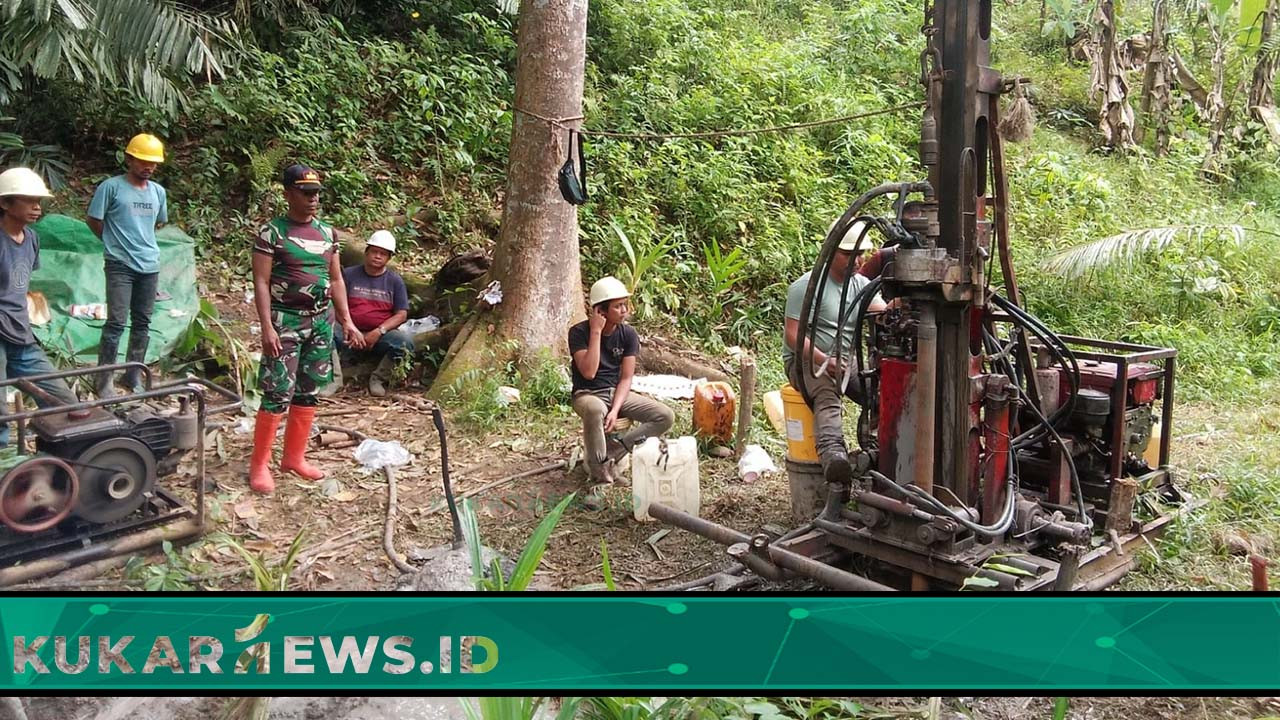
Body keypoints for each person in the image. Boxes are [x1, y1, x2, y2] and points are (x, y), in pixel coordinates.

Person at [248, 164, 363, 494]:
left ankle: (294, 458)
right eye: (305, 193)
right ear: (288, 194)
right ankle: (260, 464)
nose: (313, 199)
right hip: (285, 320)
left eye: (316, 193)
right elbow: (261, 281)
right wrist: (267, 327)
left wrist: (346, 320)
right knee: (276, 391)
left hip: (320, 321)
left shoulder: (327, 234)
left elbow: (336, 279)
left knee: (309, 389)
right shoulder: (273, 233)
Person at [782, 218, 887, 484]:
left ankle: (874, 449)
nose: (858, 260)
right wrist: (823, 359)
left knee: (879, 394)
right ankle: (833, 456)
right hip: (806, 360)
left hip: (844, 360)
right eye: (849, 254)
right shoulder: (806, 286)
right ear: (830, 251)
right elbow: (793, 335)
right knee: (828, 393)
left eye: (861, 254)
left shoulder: (860, 285)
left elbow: (883, 311)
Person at [569, 276, 674, 486]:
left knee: (665, 416)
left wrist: (615, 409)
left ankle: (617, 449)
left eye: (625, 304)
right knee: (595, 409)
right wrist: (596, 332)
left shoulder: (628, 334)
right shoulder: (579, 332)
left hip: (616, 392)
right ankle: (599, 477)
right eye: (618, 306)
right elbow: (589, 372)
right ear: (600, 310)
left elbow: (626, 377)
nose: (624, 310)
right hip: (587, 395)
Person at [86, 133, 169, 396]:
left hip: (149, 265)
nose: (149, 167)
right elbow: (94, 219)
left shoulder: (158, 192)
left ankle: (132, 376)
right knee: (116, 322)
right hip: (119, 264)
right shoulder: (111, 188)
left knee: (142, 322)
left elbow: (158, 222)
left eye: (153, 163)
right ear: (129, 159)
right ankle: (103, 379)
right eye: (143, 161)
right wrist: (113, 242)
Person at [0, 168, 78, 445]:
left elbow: (20, 285)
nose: (37, 207)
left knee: (65, 403)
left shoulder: (31, 239)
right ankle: (4, 459)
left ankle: (59, 451)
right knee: (0, 412)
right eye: (29, 201)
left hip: (19, 333)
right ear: (5, 203)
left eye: (39, 201)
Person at [338, 230, 413, 397]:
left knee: (404, 342)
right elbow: (336, 304)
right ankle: (333, 378)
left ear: (389, 258)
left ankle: (378, 378)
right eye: (374, 251)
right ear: (366, 252)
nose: (377, 256)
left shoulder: (395, 281)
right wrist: (349, 326)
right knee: (324, 333)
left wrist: (379, 331)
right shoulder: (349, 275)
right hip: (348, 329)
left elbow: (401, 314)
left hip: (379, 334)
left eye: (383, 254)